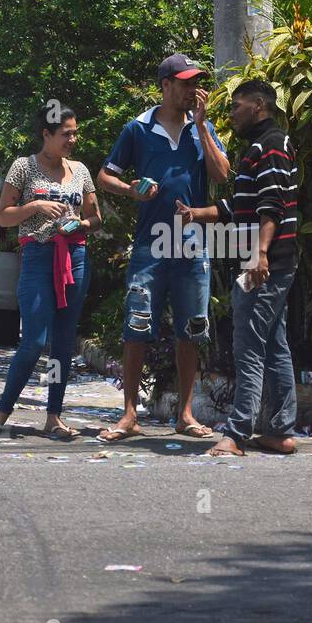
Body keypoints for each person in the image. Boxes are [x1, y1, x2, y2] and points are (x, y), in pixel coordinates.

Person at [96, 54, 230, 442]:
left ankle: (185, 414)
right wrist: (130, 190)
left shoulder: (200, 128)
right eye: (186, 83)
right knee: (136, 328)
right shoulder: (138, 129)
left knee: (191, 329)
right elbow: (106, 176)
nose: (193, 90)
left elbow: (222, 175)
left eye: (196, 83)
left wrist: (203, 128)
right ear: (166, 86)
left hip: (192, 245)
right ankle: (129, 415)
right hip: (149, 246)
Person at [175, 80, 298, 457]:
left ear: (258, 105)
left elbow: (271, 205)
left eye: (236, 106)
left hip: (265, 262)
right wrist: (198, 213)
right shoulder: (260, 148)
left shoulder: (271, 146)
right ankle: (280, 430)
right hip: (268, 260)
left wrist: (260, 254)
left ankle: (237, 434)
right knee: (273, 345)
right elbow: (238, 205)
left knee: (247, 346)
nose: (231, 113)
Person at [0, 105, 101, 440]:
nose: (73, 139)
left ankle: (54, 417)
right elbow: (3, 217)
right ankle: (1, 413)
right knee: (34, 339)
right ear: (46, 135)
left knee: (63, 341)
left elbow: (96, 218)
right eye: (66, 134)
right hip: (37, 256)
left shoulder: (80, 170)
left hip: (74, 257)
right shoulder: (23, 167)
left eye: (75, 132)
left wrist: (80, 223)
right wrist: (35, 207)